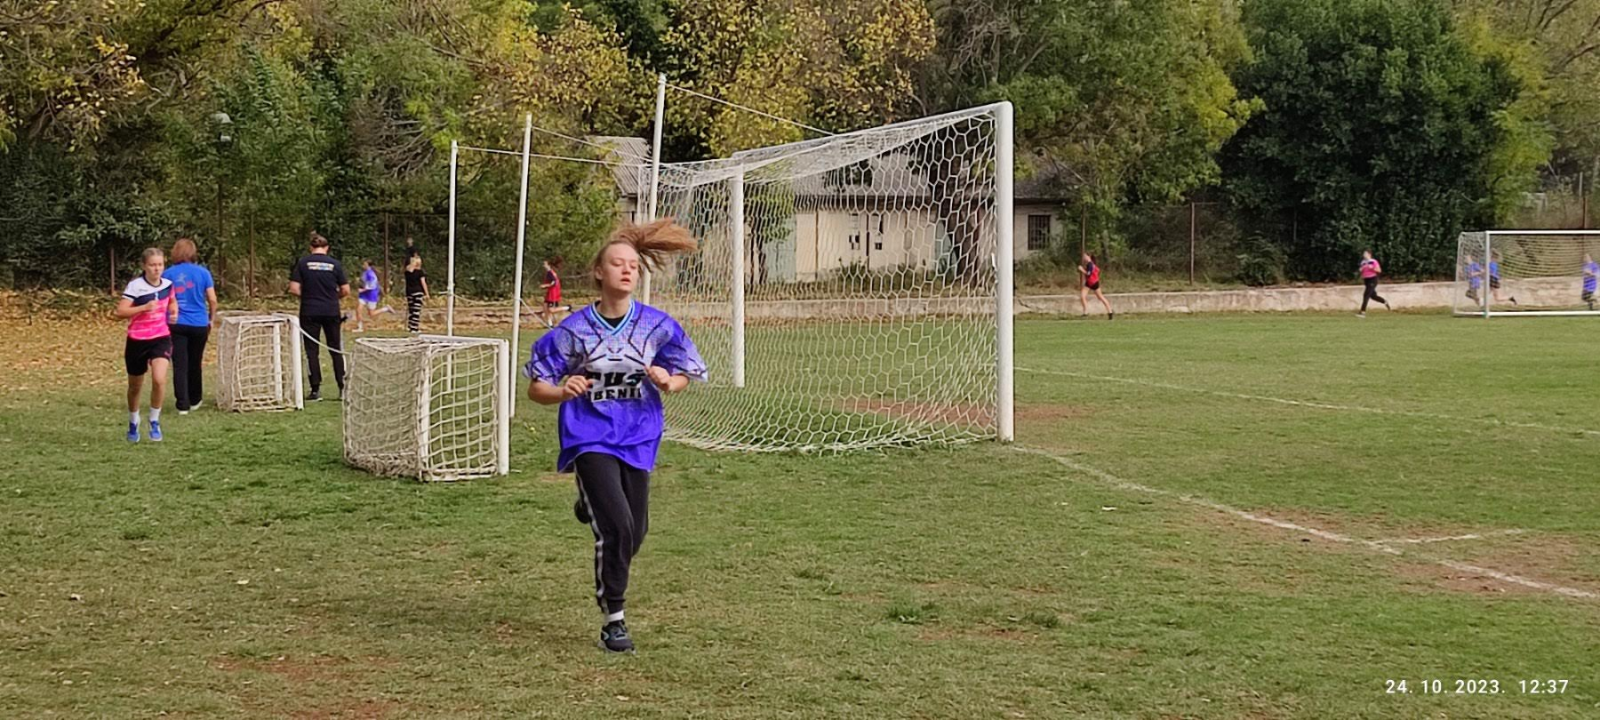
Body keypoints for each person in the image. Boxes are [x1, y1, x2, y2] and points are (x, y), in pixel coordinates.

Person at [524, 218, 707, 654]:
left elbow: (685, 373)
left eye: (632, 265)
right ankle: (615, 618)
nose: (626, 271)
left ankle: (591, 505)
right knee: (618, 529)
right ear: (599, 273)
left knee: (634, 533)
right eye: (617, 264)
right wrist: (561, 389)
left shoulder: (657, 326)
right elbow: (537, 387)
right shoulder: (573, 331)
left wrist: (668, 381)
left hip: (640, 435)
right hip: (589, 437)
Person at [116, 248, 179, 442]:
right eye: (152, 265)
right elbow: (119, 312)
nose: (156, 269)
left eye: (160, 265)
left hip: (160, 337)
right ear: (144, 266)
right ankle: (133, 422)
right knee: (135, 386)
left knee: (159, 380)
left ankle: (154, 421)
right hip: (137, 340)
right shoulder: (135, 287)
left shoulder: (168, 284)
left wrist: (174, 311)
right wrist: (143, 308)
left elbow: (172, 301)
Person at [289, 231, 351, 401]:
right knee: (335, 349)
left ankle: (315, 390)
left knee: (311, 351)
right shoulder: (335, 264)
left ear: (311, 248)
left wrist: (308, 296)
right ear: (327, 248)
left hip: (309, 310)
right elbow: (346, 290)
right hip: (331, 310)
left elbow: (294, 288)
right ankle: (342, 386)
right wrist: (333, 297)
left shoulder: (303, 263)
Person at [163, 238, 217, 415]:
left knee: (179, 364)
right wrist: (211, 318)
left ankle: (182, 404)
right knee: (195, 361)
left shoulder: (168, 274)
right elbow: (212, 299)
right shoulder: (203, 272)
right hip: (199, 323)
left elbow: (162, 299)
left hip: (176, 322)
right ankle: (195, 398)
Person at [354, 259, 394, 332]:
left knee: (371, 314)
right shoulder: (364, 273)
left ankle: (386, 308)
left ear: (368, 265)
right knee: (358, 309)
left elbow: (372, 285)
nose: (363, 266)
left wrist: (363, 289)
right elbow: (363, 282)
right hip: (363, 295)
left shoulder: (371, 274)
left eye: (364, 264)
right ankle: (360, 327)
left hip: (371, 295)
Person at [1077, 252, 1113, 319]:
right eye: (1083, 257)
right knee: (1082, 296)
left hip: (1094, 283)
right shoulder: (1088, 264)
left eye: (1085, 256)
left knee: (1100, 297)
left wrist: (1082, 270)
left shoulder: (1090, 264)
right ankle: (1085, 312)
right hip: (1089, 283)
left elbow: (1088, 274)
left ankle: (1110, 311)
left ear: (1089, 256)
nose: (1084, 258)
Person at [538, 256, 571, 328]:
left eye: (545, 264)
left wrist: (545, 286)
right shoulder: (549, 273)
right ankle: (550, 325)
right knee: (545, 308)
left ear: (549, 265)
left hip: (553, 294)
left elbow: (554, 283)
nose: (543, 266)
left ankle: (567, 308)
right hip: (550, 293)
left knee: (551, 310)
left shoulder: (551, 273)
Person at [1357, 249, 1391, 317]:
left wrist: (1372, 268)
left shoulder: (1373, 261)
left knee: (1366, 295)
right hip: (1366, 280)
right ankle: (1384, 301)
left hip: (1372, 279)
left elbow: (1379, 270)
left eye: (1365, 253)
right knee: (1373, 296)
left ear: (1369, 254)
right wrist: (1361, 269)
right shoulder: (1363, 262)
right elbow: (1360, 270)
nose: (1364, 255)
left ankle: (1362, 312)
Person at [404, 255, 429, 333]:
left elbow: (408, 268)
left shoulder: (407, 272)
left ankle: (410, 326)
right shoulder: (420, 272)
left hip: (409, 292)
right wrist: (427, 293)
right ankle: (414, 328)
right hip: (417, 292)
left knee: (411, 310)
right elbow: (423, 283)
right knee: (416, 310)